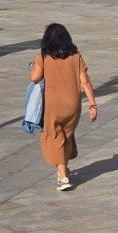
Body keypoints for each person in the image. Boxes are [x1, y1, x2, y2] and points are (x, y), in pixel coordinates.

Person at [28, 23, 98, 190]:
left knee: (54, 138)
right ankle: (63, 170)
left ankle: (63, 177)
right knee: (66, 135)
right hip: (73, 105)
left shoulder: (43, 56)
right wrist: (92, 104)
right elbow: (85, 81)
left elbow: (34, 78)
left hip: (53, 106)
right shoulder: (75, 55)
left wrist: (34, 66)